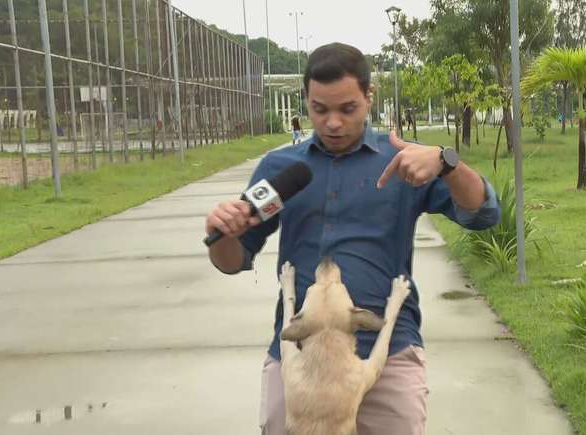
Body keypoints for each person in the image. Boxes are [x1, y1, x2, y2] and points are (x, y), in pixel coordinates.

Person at [204, 42, 501, 435]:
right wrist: (221, 234)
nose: (332, 123)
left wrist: (447, 163)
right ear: (306, 100)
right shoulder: (280, 170)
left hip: (387, 354)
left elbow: (483, 213)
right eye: (319, 109)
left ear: (368, 96)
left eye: (348, 109)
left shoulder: (400, 161)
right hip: (298, 360)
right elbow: (232, 261)